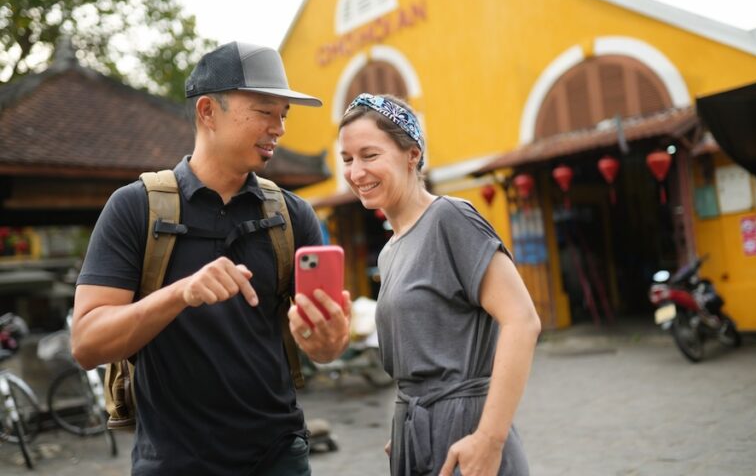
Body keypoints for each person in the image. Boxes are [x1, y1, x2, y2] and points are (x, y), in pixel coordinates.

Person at [71, 41, 351, 475]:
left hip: (278, 456)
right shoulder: (135, 208)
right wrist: (180, 293)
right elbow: (87, 344)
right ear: (207, 111)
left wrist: (327, 340)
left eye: (283, 115)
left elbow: (325, 350)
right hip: (171, 462)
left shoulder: (292, 215)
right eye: (264, 111)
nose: (278, 128)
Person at [338, 93, 541, 476]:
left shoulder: (450, 219)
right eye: (347, 160)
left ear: (412, 154)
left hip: (467, 433)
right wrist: (411, 426)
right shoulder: (390, 251)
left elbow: (522, 320)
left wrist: (489, 439)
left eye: (369, 155)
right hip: (416, 435)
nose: (356, 172)